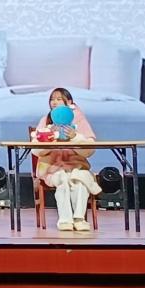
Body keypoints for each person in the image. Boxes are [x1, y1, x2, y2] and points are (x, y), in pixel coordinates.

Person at [33, 87, 103, 231]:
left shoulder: (79, 120)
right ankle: (65, 220)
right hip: (53, 168)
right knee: (63, 179)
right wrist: (49, 139)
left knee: (80, 179)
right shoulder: (46, 120)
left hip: (76, 165)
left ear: (69, 102)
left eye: (59, 99)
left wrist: (75, 137)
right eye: (52, 99)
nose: (54, 102)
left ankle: (79, 219)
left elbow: (89, 150)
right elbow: (35, 150)